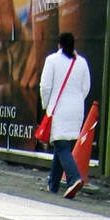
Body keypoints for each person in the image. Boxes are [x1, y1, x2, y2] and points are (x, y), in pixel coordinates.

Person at [39, 32, 91, 198]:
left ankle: (74, 178)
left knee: (61, 145)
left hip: (59, 108)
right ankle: (53, 184)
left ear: (59, 44)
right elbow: (86, 87)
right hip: (77, 109)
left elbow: (45, 86)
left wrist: (47, 105)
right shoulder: (82, 62)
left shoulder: (52, 60)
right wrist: (76, 100)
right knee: (62, 145)